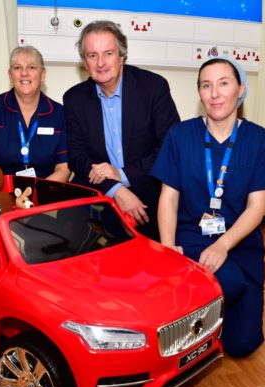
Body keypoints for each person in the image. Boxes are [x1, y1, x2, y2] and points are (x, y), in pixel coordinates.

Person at [151, 56, 265, 358]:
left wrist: (223, 246)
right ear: (199, 93)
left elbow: (256, 207)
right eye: (206, 85)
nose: (214, 93)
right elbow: (168, 198)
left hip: (240, 242)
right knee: (229, 281)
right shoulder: (180, 136)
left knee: (242, 345)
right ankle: (193, 313)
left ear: (240, 89)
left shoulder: (260, 140)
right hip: (191, 238)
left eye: (224, 83)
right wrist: (168, 248)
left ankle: (205, 313)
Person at [63, 20, 180, 240]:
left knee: (150, 254)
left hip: (148, 191)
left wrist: (122, 175)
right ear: (85, 63)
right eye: (92, 55)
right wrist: (116, 189)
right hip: (100, 191)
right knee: (69, 236)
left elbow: (170, 148)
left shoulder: (154, 88)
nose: (100, 63)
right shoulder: (74, 99)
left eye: (108, 53)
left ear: (122, 56)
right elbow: (77, 158)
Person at [0, 46, 70, 182]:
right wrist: (4, 190)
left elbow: (64, 168)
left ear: (43, 75)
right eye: (17, 68)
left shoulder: (59, 114)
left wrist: (37, 192)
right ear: (10, 75)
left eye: (31, 67)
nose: (24, 73)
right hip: (0, 190)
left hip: (47, 191)